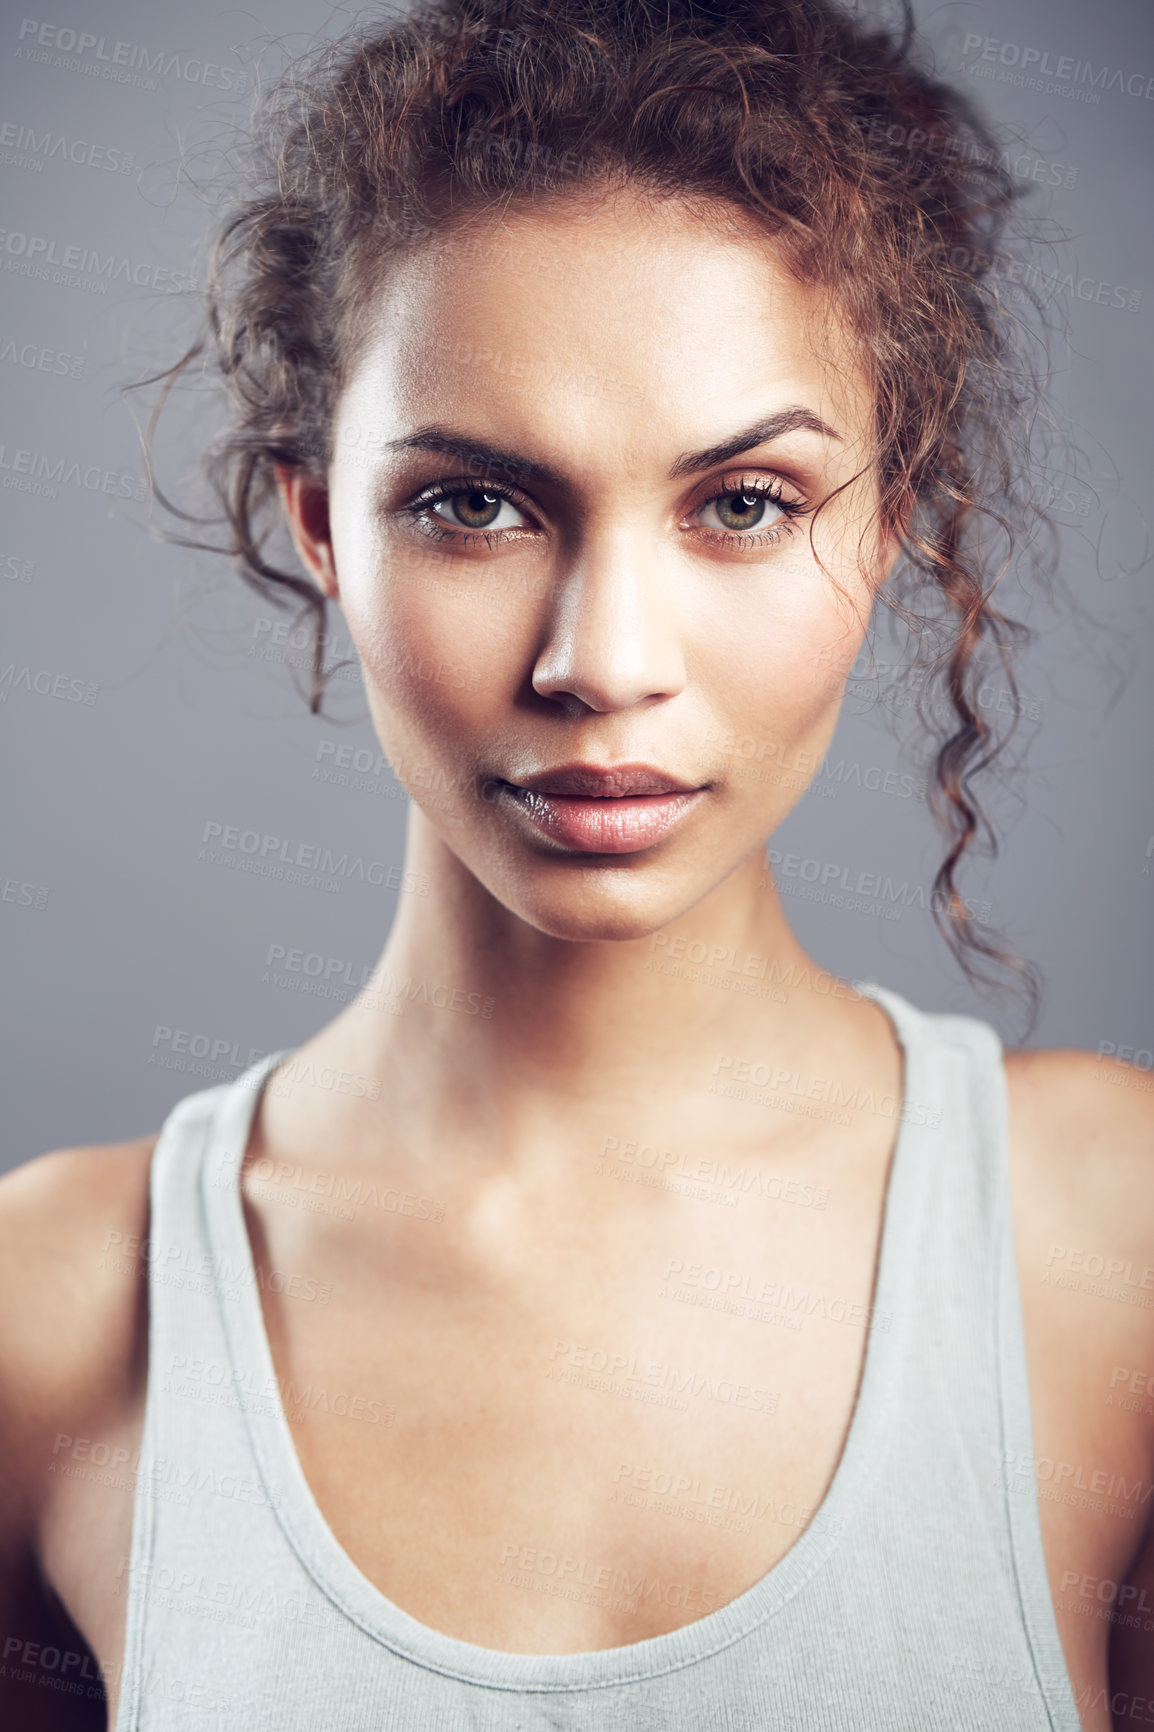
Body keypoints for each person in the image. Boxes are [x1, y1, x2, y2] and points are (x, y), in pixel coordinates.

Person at [1, 0, 1151, 1726]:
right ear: (322, 523)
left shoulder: (1111, 1238)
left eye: (743, 502)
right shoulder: (59, 1312)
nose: (602, 661)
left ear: (893, 514)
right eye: (473, 504)